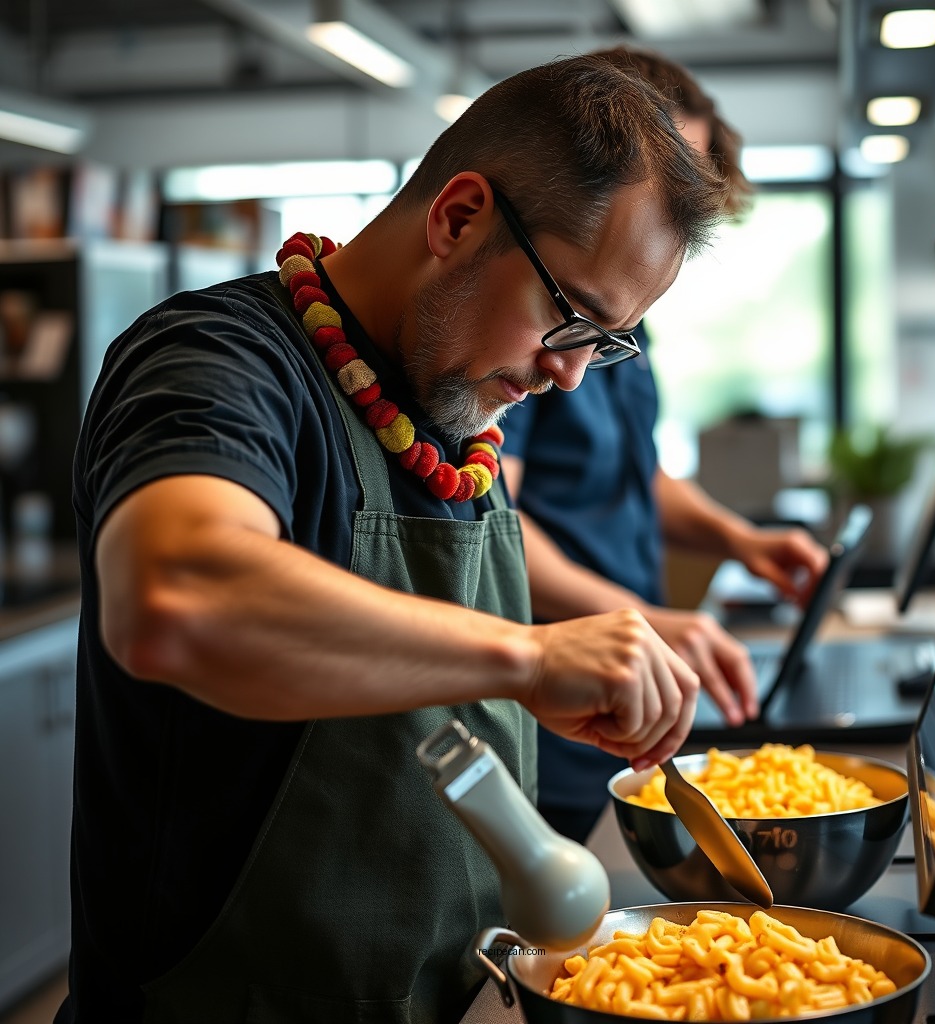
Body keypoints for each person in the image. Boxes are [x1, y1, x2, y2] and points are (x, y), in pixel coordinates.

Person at [58, 54, 728, 1024]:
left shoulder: (457, 422)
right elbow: (175, 596)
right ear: (458, 219)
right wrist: (526, 655)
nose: (570, 375)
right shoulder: (217, 360)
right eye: (569, 316)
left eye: (603, 342)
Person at [500, 46, 831, 844]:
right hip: (560, 701)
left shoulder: (622, 322)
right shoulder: (542, 322)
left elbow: (631, 472)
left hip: (632, 676)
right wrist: (640, 619)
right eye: (668, 172)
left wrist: (736, 538)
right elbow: (492, 520)